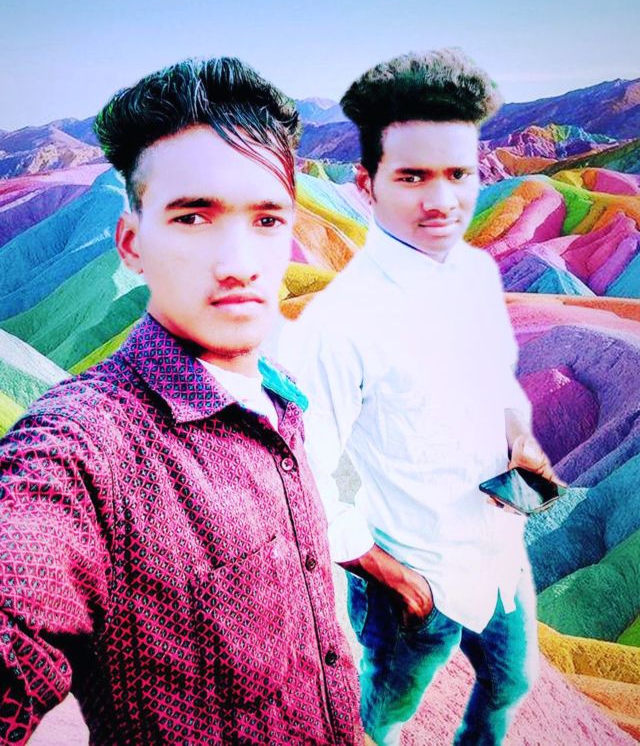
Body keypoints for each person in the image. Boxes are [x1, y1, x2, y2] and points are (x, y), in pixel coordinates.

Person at [0, 57, 363, 744]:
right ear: (132, 244)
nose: (238, 261)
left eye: (266, 219)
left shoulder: (279, 397)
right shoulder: (86, 450)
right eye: (194, 217)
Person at [279, 49, 558, 745]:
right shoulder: (341, 324)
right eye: (412, 176)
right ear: (366, 184)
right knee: (383, 714)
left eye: (458, 174)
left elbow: (495, 382)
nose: (442, 200)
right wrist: (397, 577)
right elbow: (305, 477)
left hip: (494, 558)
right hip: (413, 578)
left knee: (508, 685)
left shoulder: (472, 274)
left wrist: (518, 440)